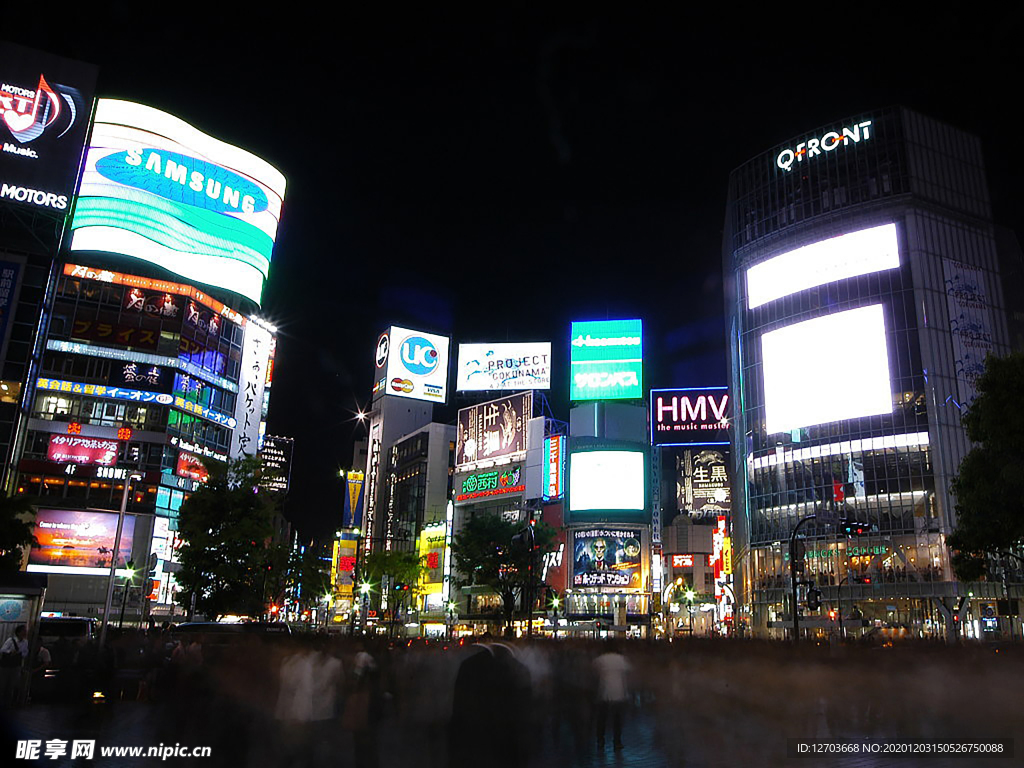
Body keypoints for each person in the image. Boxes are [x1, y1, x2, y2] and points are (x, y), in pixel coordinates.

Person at [593, 641, 631, 750]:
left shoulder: (600, 659)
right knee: (617, 719)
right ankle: (617, 741)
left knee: (602, 718)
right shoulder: (621, 659)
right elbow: (628, 672)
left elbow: (593, 671)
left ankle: (600, 740)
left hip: (604, 692)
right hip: (619, 692)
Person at [0, 625, 29, 708]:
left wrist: (20, 654)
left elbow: (25, 652)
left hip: (16, 665)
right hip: (6, 666)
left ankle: (8, 703)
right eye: (24, 631)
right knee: (2, 684)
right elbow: (2, 650)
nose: (25, 633)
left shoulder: (25, 642)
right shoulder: (11, 640)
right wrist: (10, 652)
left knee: (12, 685)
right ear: (19, 632)